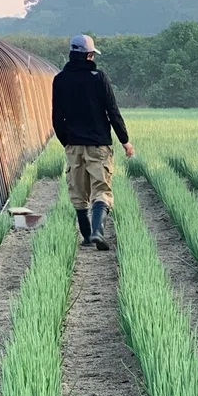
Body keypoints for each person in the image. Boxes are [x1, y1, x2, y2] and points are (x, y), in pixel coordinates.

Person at [51, 34, 135, 251]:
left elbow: (56, 117)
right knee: (101, 190)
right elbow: (112, 111)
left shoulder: (60, 79)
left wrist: (67, 142)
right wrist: (125, 141)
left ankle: (87, 237)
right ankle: (98, 230)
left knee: (78, 193)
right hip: (98, 145)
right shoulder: (98, 77)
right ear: (89, 55)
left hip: (73, 144)